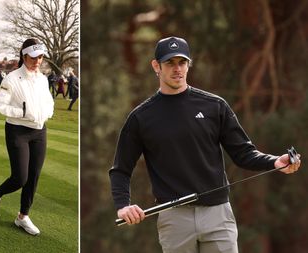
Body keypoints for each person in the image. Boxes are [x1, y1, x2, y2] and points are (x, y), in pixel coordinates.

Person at [108, 36, 302, 253]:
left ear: (189, 64)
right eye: (169, 63)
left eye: (182, 63)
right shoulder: (141, 117)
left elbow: (243, 153)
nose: (177, 69)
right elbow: (121, 170)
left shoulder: (215, 106)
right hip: (174, 219)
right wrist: (123, 205)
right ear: (156, 66)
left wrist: (276, 161)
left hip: (218, 216)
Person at [0, 38, 54, 236]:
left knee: (33, 176)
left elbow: (49, 102)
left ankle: (23, 217)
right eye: (33, 57)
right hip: (18, 130)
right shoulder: (11, 79)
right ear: (24, 56)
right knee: (20, 178)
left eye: (40, 57)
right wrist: (23, 113)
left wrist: (47, 113)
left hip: (39, 130)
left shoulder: (43, 78)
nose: (37, 61)